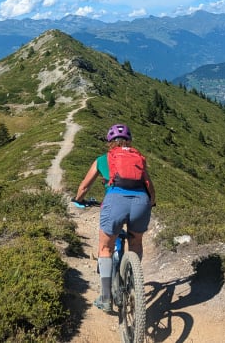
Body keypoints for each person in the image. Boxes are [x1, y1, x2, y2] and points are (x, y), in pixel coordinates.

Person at [73, 123, 156, 312]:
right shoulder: (138, 159)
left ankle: (105, 297)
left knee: (105, 248)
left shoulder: (103, 159)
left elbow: (84, 187)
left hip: (115, 202)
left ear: (109, 143)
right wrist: (151, 203)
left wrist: (78, 199)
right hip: (140, 203)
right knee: (135, 243)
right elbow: (150, 186)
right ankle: (133, 282)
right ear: (130, 141)